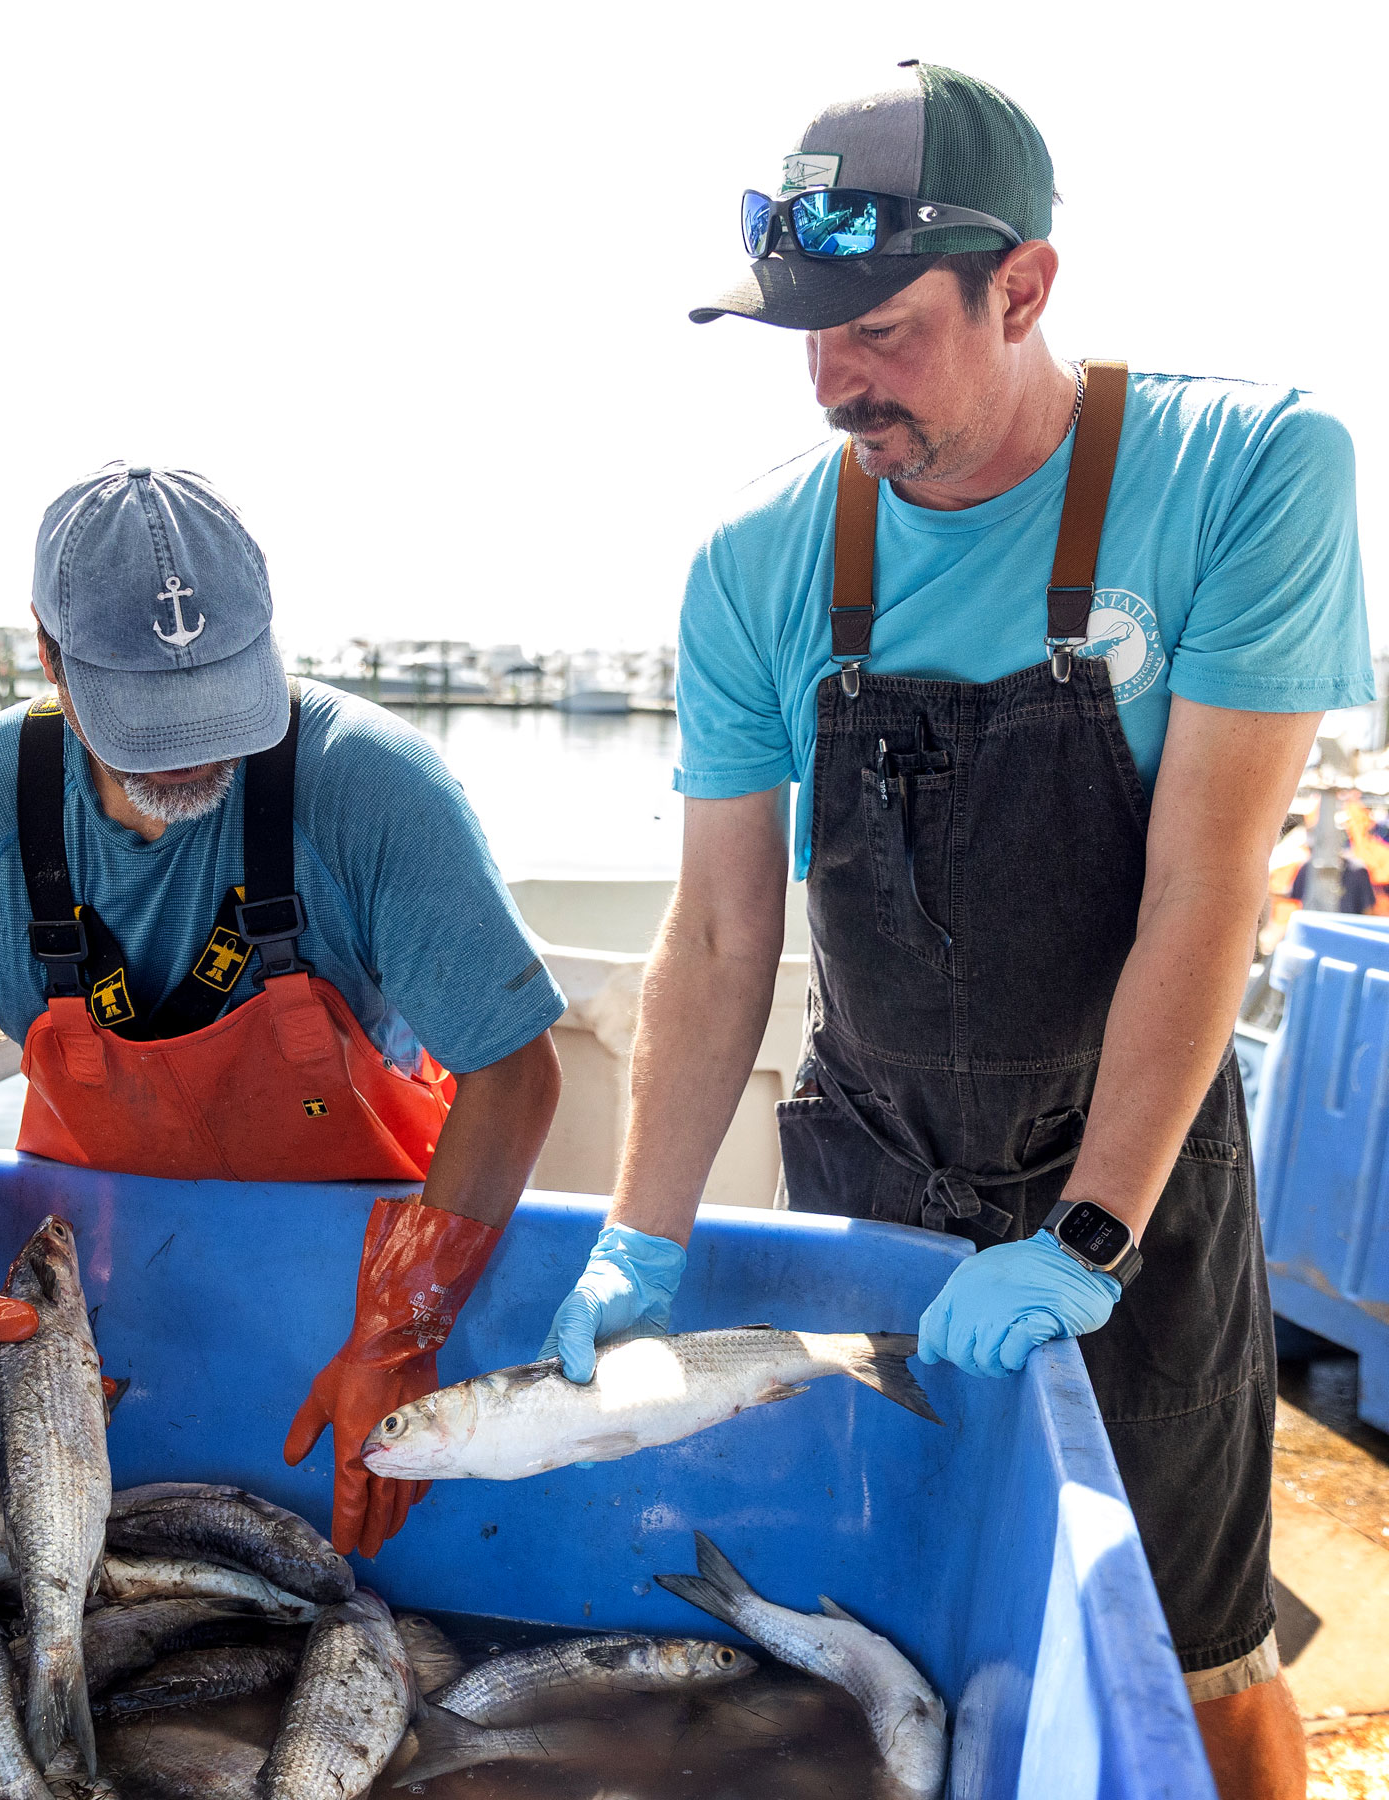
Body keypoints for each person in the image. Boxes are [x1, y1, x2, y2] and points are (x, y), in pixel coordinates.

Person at [538, 62, 1370, 1800]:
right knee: (913, 1602)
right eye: (806, 340)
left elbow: (1204, 894)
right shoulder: (756, 562)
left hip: (1124, 1162)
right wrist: (641, 1236)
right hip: (878, 1160)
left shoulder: (1248, 469)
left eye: (885, 333)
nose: (839, 384)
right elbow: (715, 940)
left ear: (1027, 288)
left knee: (1196, 1643)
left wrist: (1091, 1231)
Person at [0, 463, 564, 1559]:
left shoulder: (376, 788)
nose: (191, 751)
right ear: (49, 657)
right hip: (115, 1292)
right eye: (146, 718)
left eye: (218, 700)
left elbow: (514, 1071)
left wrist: (405, 1329)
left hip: (354, 1271)